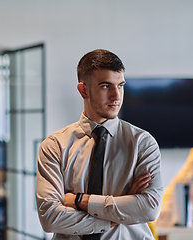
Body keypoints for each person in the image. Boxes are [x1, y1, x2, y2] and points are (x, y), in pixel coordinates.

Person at [36, 49, 163, 239]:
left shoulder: (142, 143)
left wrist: (79, 201)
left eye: (120, 85)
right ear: (83, 90)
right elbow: (50, 218)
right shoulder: (55, 145)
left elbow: (150, 209)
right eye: (106, 86)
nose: (116, 96)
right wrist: (117, 215)